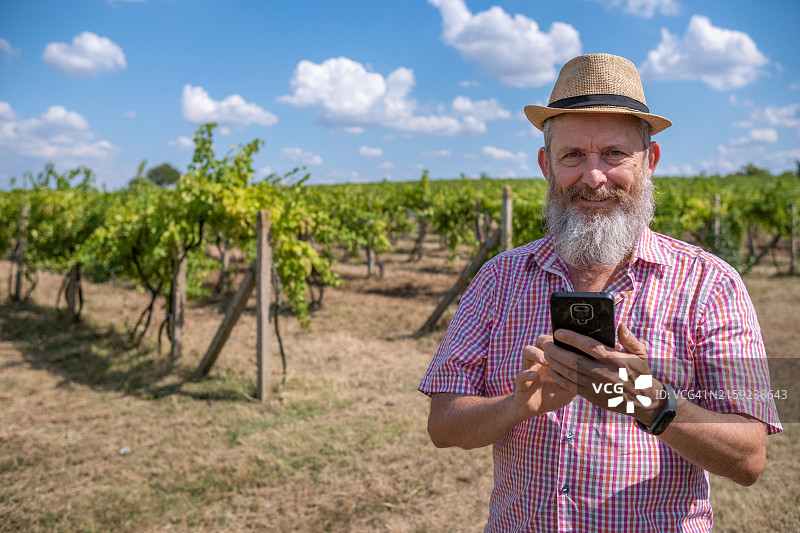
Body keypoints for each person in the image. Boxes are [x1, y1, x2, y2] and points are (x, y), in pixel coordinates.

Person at [418, 53, 782, 532]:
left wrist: (649, 401)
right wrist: (513, 406)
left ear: (649, 161)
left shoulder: (710, 284)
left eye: (614, 154)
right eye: (573, 156)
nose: (593, 177)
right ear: (547, 166)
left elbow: (749, 458)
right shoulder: (499, 279)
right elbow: (443, 423)